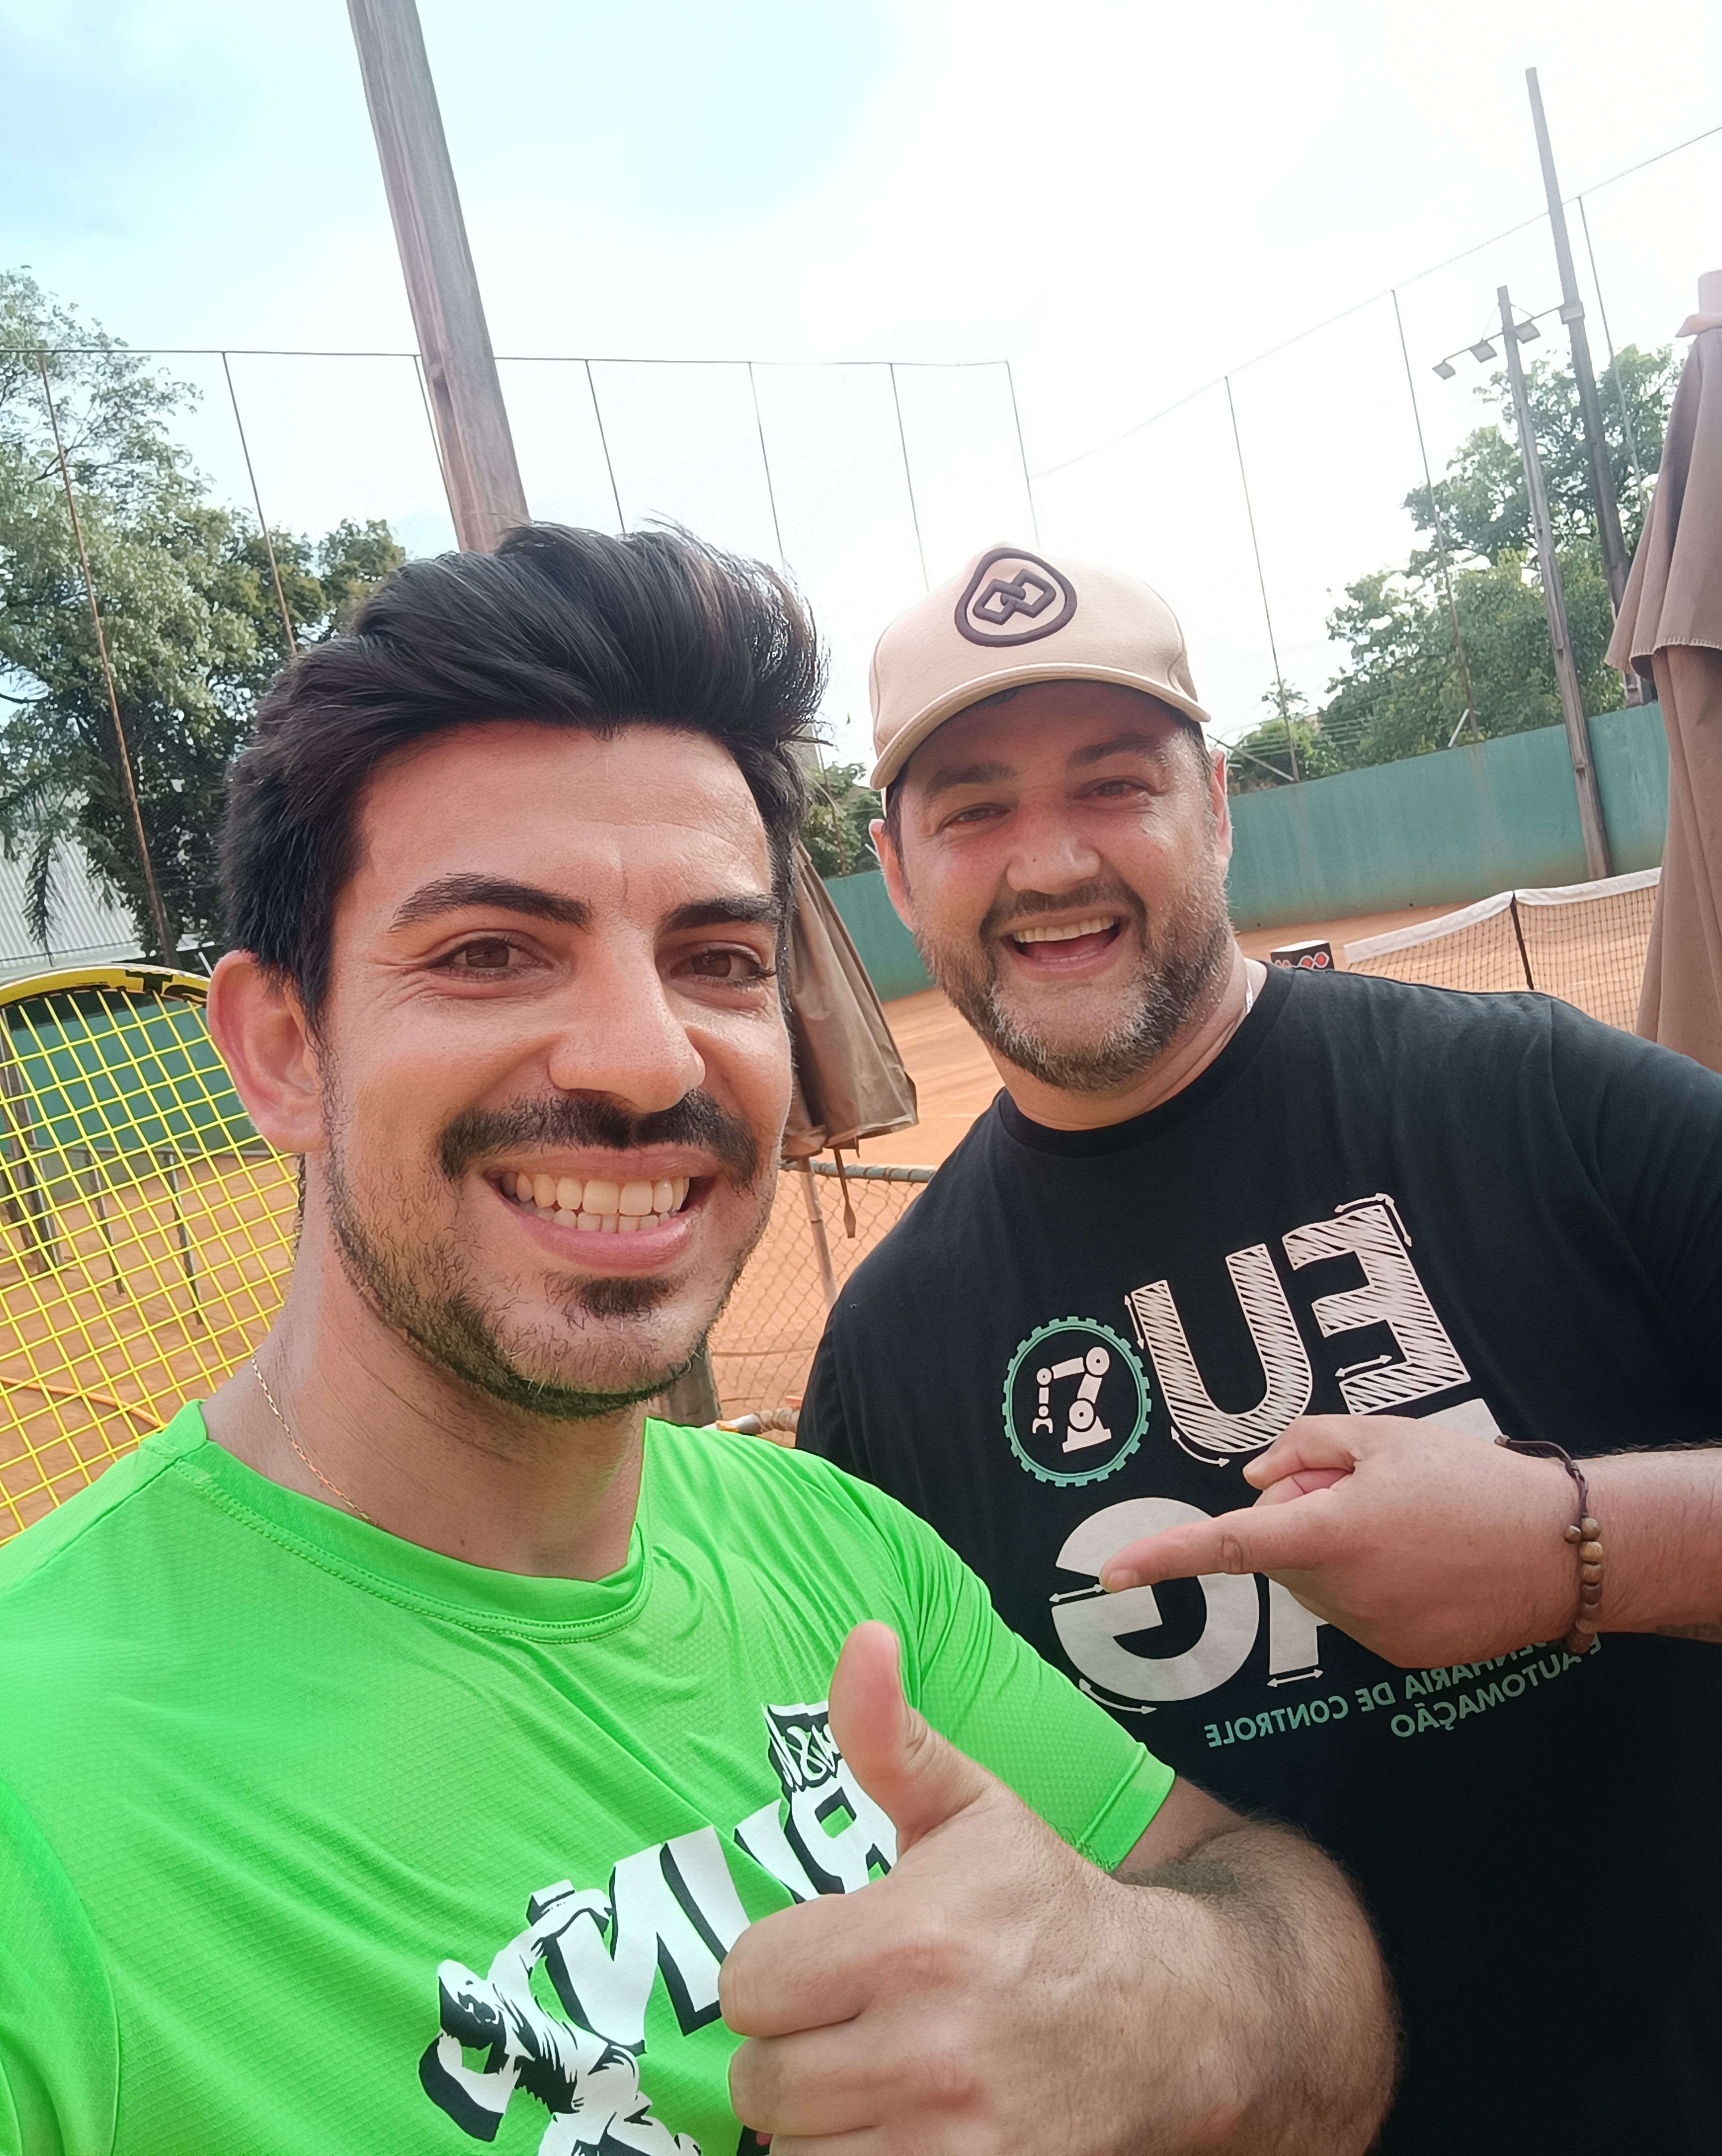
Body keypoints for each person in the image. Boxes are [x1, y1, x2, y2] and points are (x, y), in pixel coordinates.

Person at [0, 526, 1394, 2156]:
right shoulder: (42, 1798)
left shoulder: (839, 1548)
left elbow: (1294, 1955)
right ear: (284, 1048)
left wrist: (1150, 2000)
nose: (646, 1059)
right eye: (489, 953)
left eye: (717, 960)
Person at [798, 541, 1722, 2155]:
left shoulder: (1533, 1099)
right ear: (895, 866)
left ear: (1216, 803)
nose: (1051, 862)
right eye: (974, 811)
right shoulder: (886, 1360)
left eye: (1114, 784)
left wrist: (1579, 1545)